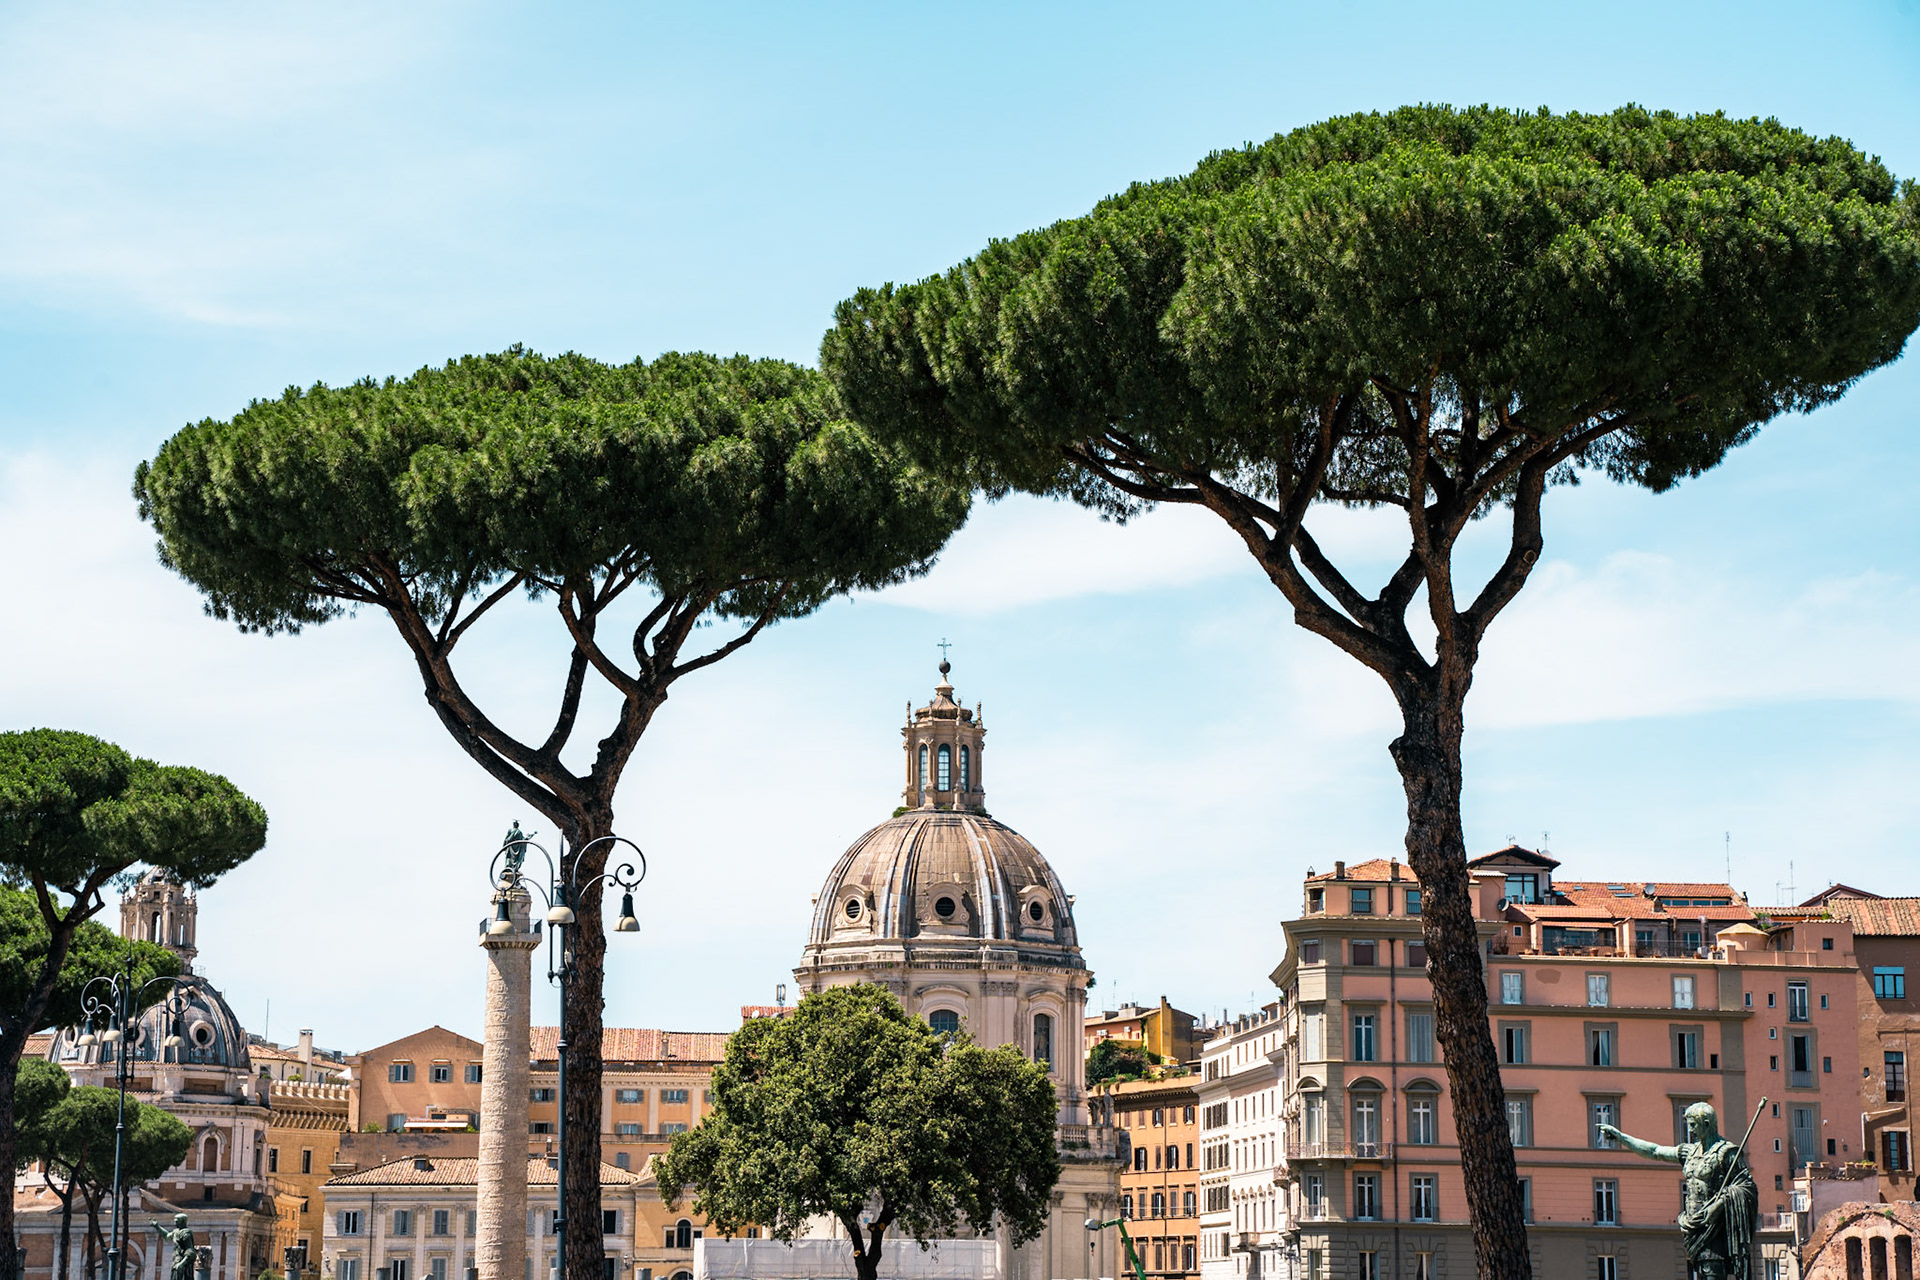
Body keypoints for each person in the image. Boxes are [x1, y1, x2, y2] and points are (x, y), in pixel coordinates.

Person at [1599, 1102, 1756, 1280]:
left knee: (1713, 1271)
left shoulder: (1727, 1153)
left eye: (1693, 1125)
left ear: (1706, 1124)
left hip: (1715, 1228)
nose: (1690, 1131)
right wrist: (1621, 1138)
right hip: (1694, 1226)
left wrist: (1719, 1206)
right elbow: (1654, 1151)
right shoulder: (1689, 1152)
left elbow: (1746, 1186)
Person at [150, 1214, 199, 1280]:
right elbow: (167, 1236)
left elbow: (190, 1251)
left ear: (182, 1221)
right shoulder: (176, 1232)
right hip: (176, 1262)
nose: (174, 1223)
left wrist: (182, 1263)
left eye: (176, 1221)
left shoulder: (185, 1233)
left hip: (183, 1263)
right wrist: (157, 1226)